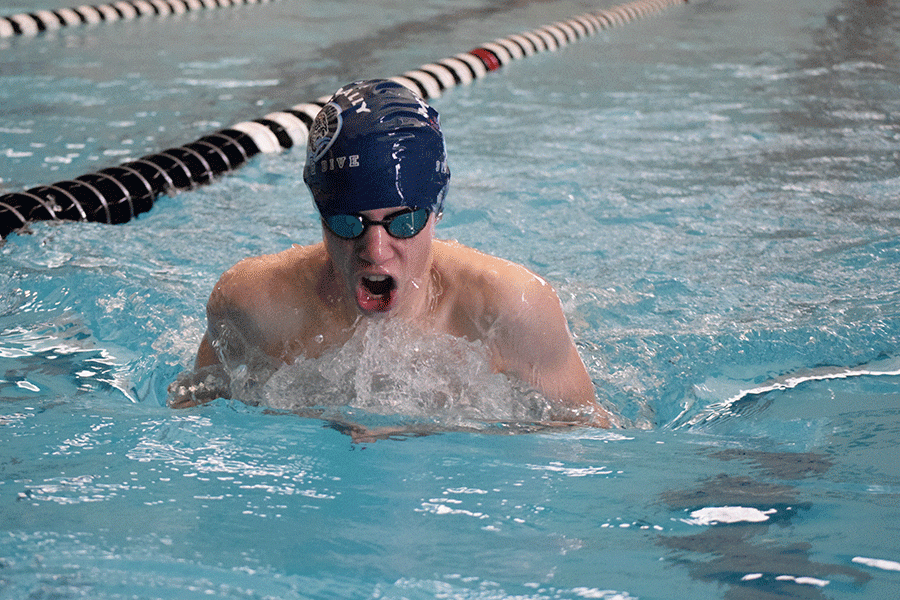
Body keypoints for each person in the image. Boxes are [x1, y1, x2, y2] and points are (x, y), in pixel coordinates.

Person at [170, 79, 611, 429]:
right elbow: (194, 424)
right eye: (348, 223)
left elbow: (588, 441)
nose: (376, 253)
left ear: (435, 212)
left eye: (403, 223)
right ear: (320, 213)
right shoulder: (252, 306)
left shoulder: (513, 312)